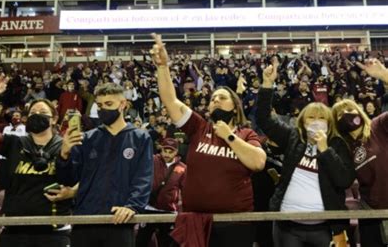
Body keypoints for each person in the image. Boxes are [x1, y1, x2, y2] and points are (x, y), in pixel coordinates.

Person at [150, 34, 266, 247]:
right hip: (196, 220)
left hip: (235, 223)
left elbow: (258, 162)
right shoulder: (199, 127)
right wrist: (163, 67)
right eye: (213, 99)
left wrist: (229, 137)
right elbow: (170, 100)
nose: (215, 101)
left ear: (235, 106)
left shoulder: (246, 134)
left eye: (222, 98)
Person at [257, 59, 355, 247]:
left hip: (325, 228)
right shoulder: (293, 137)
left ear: (329, 123)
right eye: (311, 118)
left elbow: (344, 180)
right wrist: (268, 84)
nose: (316, 122)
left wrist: (325, 149)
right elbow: (264, 119)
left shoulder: (337, 144)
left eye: (321, 118)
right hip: (287, 227)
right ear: (302, 122)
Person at [0, 75, 74, 247]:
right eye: (33, 113)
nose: (37, 116)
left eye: (43, 113)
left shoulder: (67, 145)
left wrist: (72, 192)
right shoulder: (13, 143)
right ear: (25, 118)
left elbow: (86, 181)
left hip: (54, 232)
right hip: (14, 229)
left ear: (54, 119)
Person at [56, 82, 154, 247]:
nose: (103, 110)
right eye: (100, 105)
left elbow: (143, 177)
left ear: (123, 104)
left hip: (120, 219)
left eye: (109, 104)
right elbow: (69, 179)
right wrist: (64, 154)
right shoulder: (87, 138)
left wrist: (133, 206)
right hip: (85, 219)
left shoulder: (140, 138)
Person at [332, 58, 388, 246]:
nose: (345, 115)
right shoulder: (344, 147)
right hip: (371, 213)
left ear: (358, 110)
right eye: (339, 114)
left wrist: (384, 75)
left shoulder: (378, 125)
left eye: (349, 109)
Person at [136, 138, 187, 247]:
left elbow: (185, 190)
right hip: (149, 208)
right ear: (161, 149)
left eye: (171, 151)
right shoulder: (151, 160)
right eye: (165, 150)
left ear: (176, 152)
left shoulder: (183, 168)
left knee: (166, 243)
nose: (167, 154)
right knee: (141, 241)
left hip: (169, 211)